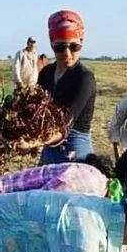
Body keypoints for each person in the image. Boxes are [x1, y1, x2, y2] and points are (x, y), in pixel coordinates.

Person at [35, 10, 97, 164]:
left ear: (81, 41)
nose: (67, 53)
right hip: (49, 146)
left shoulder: (84, 78)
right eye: (60, 47)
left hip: (75, 148)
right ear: (51, 44)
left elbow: (65, 125)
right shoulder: (47, 73)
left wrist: (33, 141)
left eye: (74, 46)